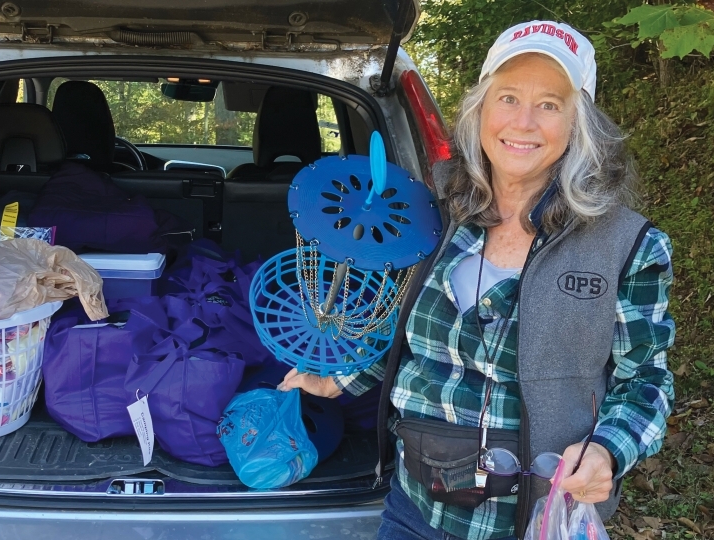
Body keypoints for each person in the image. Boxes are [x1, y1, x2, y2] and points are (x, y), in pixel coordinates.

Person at [280, 20, 675, 540]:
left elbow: (646, 378)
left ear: (580, 123)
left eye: (550, 104)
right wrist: (337, 377)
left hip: (537, 518)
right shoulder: (431, 212)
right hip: (416, 507)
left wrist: (609, 449)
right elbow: (399, 332)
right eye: (508, 97)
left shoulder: (627, 245)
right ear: (481, 109)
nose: (525, 122)